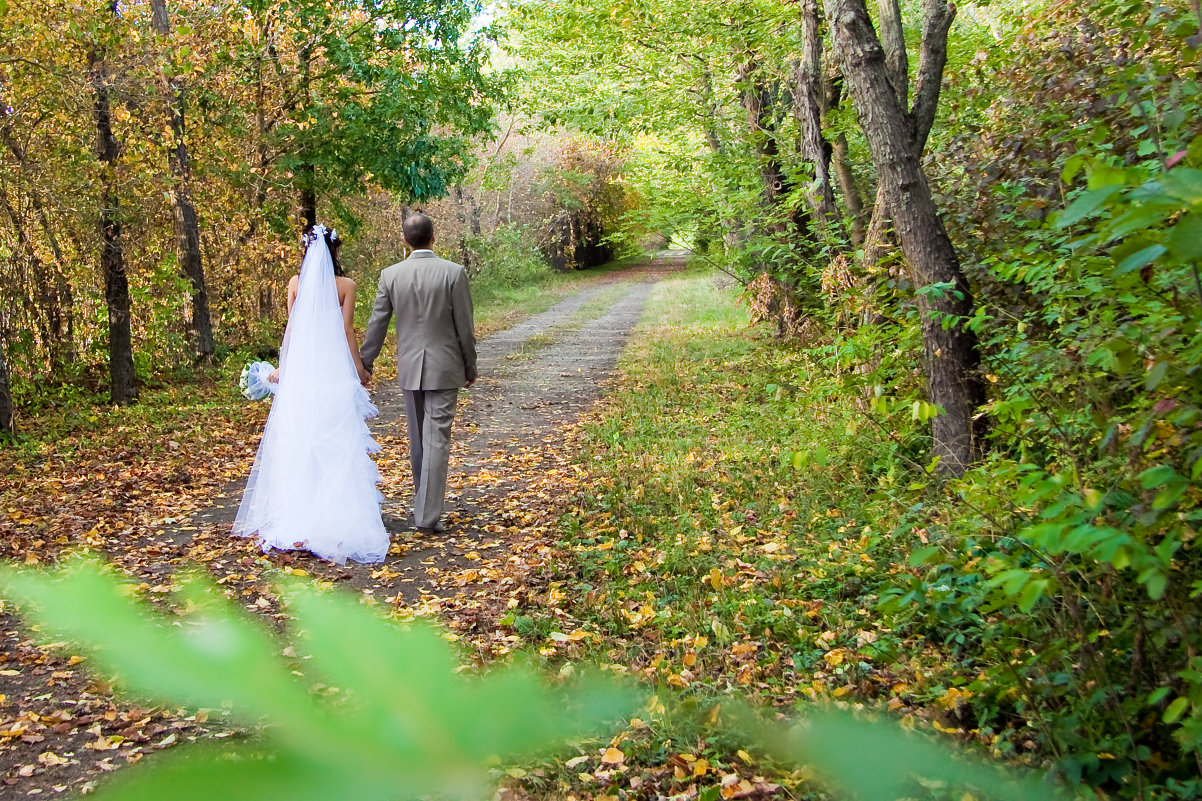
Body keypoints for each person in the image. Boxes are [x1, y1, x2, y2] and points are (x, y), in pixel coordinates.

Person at [233, 224, 389, 564]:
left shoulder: (295, 283)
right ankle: (337, 517)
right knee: (335, 440)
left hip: (304, 370)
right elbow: (347, 331)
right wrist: (360, 369)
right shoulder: (346, 286)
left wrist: (283, 366)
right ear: (335, 251)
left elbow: (293, 330)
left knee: (303, 438)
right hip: (331, 368)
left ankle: (300, 517)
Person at [360, 213, 477, 535]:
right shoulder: (453, 273)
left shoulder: (390, 275)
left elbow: (377, 323)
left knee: (419, 440)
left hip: (410, 367)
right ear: (433, 237)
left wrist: (365, 362)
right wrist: (470, 365)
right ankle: (427, 516)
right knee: (436, 438)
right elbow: (464, 327)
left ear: (405, 241)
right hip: (446, 366)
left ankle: (423, 505)